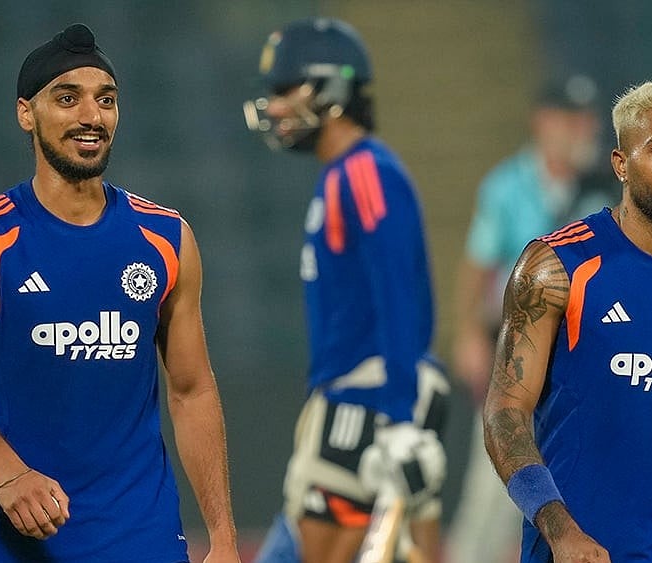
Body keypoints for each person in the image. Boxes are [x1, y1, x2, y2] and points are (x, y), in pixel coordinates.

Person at [0, 23, 240, 562]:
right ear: (27, 113)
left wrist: (224, 538)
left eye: (106, 100)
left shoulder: (165, 237)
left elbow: (192, 391)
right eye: (67, 99)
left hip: (143, 538)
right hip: (21, 539)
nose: (91, 116)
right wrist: (10, 473)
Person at [482, 81, 652, 562]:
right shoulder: (556, 267)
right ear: (621, 164)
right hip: (580, 547)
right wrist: (558, 529)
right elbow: (504, 412)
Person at [243, 17, 449, 563]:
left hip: (367, 399)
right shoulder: (346, 172)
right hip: (367, 395)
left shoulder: (363, 173)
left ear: (330, 89)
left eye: (285, 90)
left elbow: (397, 293)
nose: (275, 107)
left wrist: (399, 417)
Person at [448, 72, 615, 563]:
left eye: (585, 120)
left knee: (584, 484)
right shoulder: (507, 186)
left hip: (585, 351)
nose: (579, 130)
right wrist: (468, 333)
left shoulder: (608, 187)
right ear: (542, 121)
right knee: (496, 477)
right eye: (568, 118)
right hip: (519, 348)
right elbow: (479, 266)